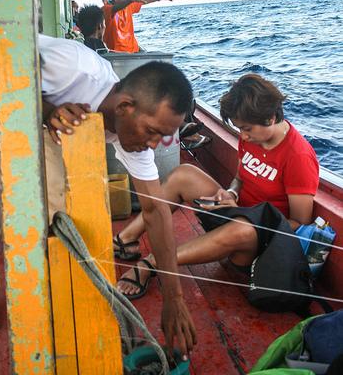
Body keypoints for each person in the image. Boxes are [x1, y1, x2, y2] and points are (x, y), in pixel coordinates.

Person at [0, 30, 197, 358]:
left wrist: (174, 300)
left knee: (60, 204)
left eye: (163, 136)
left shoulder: (136, 131)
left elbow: (155, 211)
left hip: (39, 105)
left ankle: (57, 280)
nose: (154, 144)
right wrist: (46, 113)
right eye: (153, 132)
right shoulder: (75, 68)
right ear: (125, 106)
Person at [116, 73, 319, 299]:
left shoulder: (298, 155)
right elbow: (240, 177)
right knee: (184, 174)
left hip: (259, 239)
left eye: (247, 129)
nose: (242, 135)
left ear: (270, 118)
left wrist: (250, 222)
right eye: (239, 128)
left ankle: (152, 264)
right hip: (237, 212)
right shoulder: (251, 137)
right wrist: (230, 192)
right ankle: (125, 239)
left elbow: (300, 222)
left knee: (243, 228)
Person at [102, 0, 172, 53]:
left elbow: (144, 0)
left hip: (133, 49)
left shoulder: (129, 6)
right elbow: (115, 9)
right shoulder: (106, 9)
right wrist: (131, 1)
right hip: (116, 52)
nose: (128, 0)